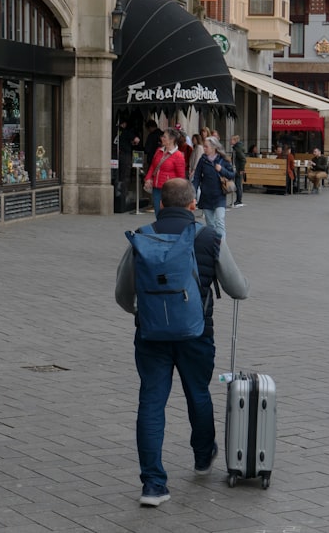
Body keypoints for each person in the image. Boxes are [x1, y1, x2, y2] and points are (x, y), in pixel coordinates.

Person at [115, 178, 248, 507]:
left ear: (161, 205)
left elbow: (122, 294)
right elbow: (238, 288)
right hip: (196, 333)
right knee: (198, 394)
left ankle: (153, 486)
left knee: (151, 403)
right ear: (193, 206)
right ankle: (203, 457)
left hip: (150, 335)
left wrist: (143, 311)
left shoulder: (142, 237)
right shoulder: (207, 236)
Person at [191, 136, 235, 237]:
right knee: (210, 224)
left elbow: (232, 175)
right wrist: (193, 192)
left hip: (219, 195)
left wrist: (221, 170)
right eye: (204, 146)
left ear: (214, 147)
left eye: (206, 146)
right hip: (206, 196)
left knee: (219, 222)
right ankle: (213, 245)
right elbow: (197, 176)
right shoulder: (203, 159)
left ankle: (221, 247)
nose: (204, 148)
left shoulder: (223, 160)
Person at [143, 127, 186, 216]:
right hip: (156, 187)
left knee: (168, 213)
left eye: (164, 137)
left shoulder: (178, 155)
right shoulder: (159, 151)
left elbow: (181, 177)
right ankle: (160, 229)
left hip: (169, 189)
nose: (161, 138)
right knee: (158, 212)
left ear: (171, 139)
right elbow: (153, 166)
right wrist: (148, 178)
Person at [230, 134, 247, 207]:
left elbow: (243, 159)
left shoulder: (237, 148)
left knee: (238, 184)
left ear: (235, 140)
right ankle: (238, 200)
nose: (230, 141)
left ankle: (239, 200)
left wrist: (241, 169)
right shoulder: (236, 148)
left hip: (238, 169)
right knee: (237, 184)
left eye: (232, 140)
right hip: (237, 168)